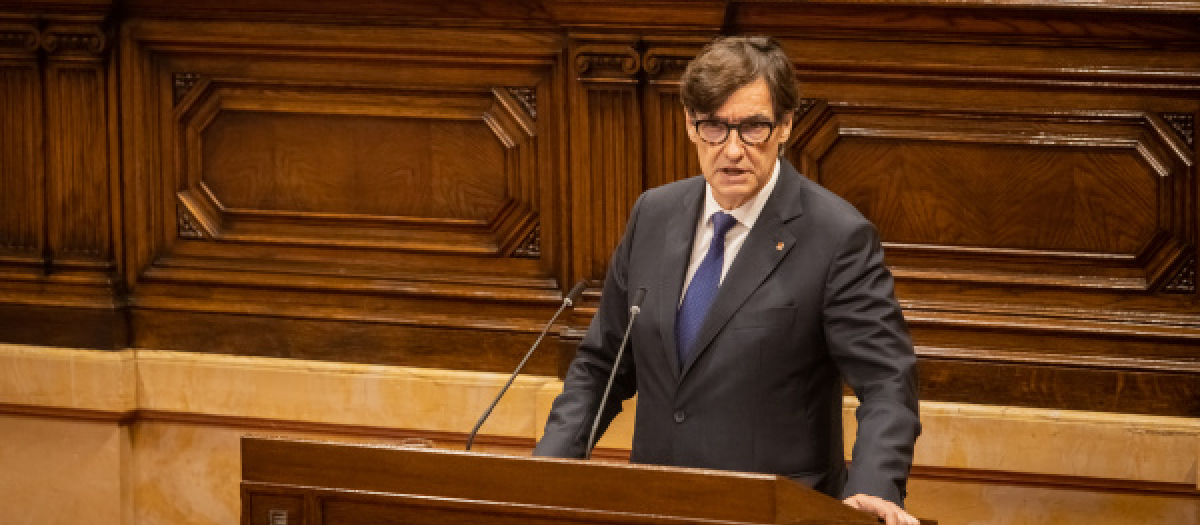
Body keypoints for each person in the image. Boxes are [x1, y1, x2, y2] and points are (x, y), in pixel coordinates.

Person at [534, 36, 921, 525]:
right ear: (690, 126)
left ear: (785, 126)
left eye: (753, 127)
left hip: (774, 513)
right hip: (656, 507)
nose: (732, 150)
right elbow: (603, 364)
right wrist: (548, 472)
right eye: (714, 127)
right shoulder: (653, 214)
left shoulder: (835, 236)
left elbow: (887, 379)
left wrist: (872, 487)